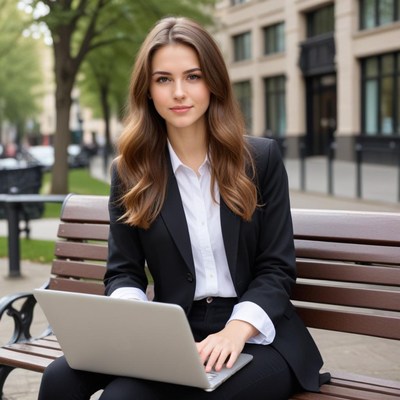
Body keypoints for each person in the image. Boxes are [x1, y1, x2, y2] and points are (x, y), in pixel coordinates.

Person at [38, 16, 329, 400]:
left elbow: (277, 267)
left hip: (259, 332)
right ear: (148, 90)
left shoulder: (260, 159)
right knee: (59, 379)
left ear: (213, 83)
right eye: (163, 79)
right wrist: (136, 320)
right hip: (176, 328)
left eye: (192, 76)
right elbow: (123, 273)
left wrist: (235, 330)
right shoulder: (131, 171)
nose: (179, 92)